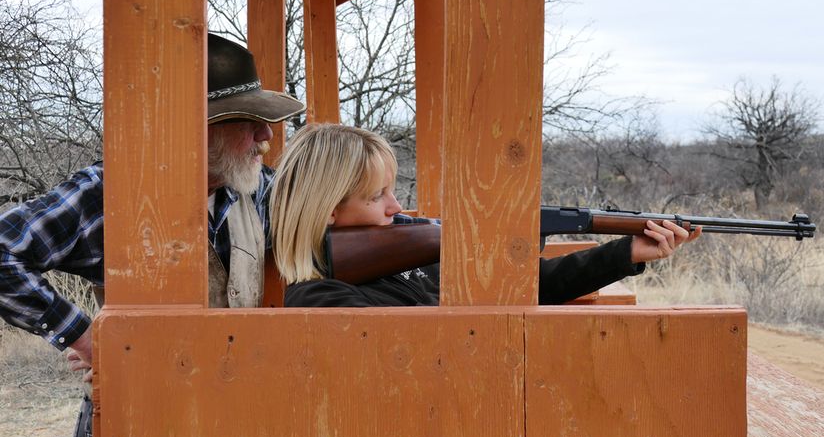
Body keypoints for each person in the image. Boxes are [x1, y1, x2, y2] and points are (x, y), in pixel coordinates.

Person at [0, 33, 305, 437]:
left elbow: (333, 215)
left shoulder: (255, 188)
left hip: (229, 419)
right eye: (249, 122)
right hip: (134, 428)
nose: (266, 136)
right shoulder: (110, 192)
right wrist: (88, 339)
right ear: (199, 129)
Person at [270, 124, 700, 307]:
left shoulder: (405, 258)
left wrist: (628, 253)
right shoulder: (320, 300)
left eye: (392, 190)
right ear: (328, 209)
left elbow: (532, 285)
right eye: (376, 196)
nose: (396, 206)